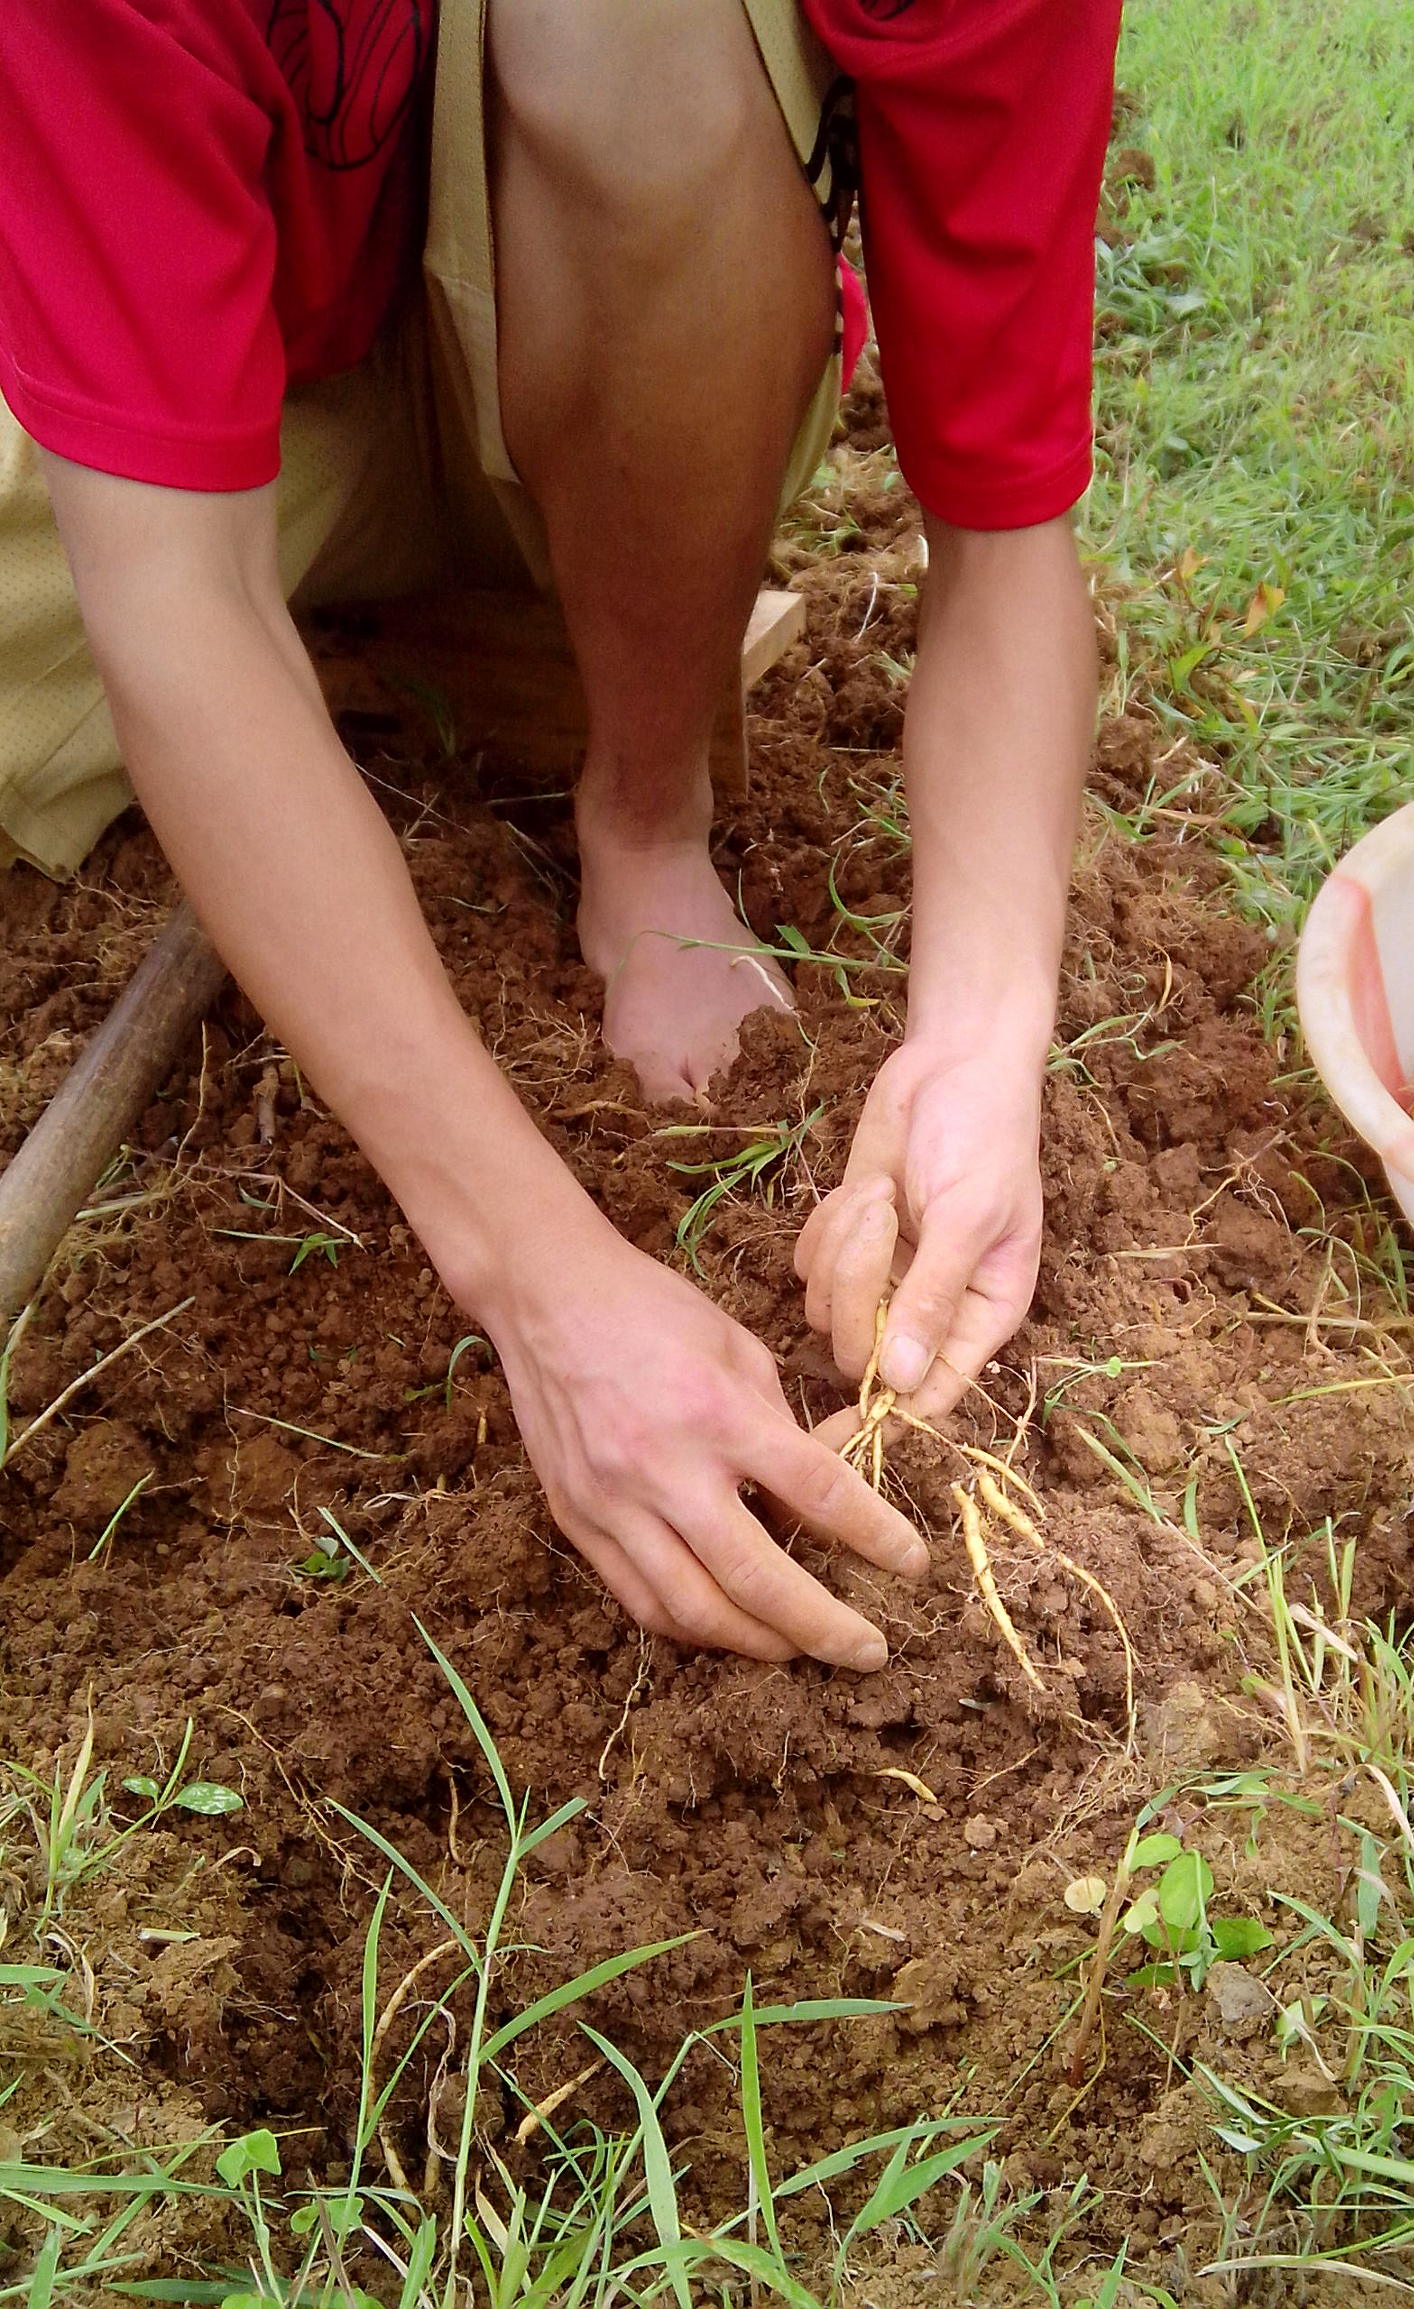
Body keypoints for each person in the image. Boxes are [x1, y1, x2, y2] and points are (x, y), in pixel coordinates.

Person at [0, 0, 1121, 1668]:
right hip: (226, 432)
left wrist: (979, 1035)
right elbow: (178, 597)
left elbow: (1012, 553)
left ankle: (647, 821)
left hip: (648, 341)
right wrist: (540, 1279)